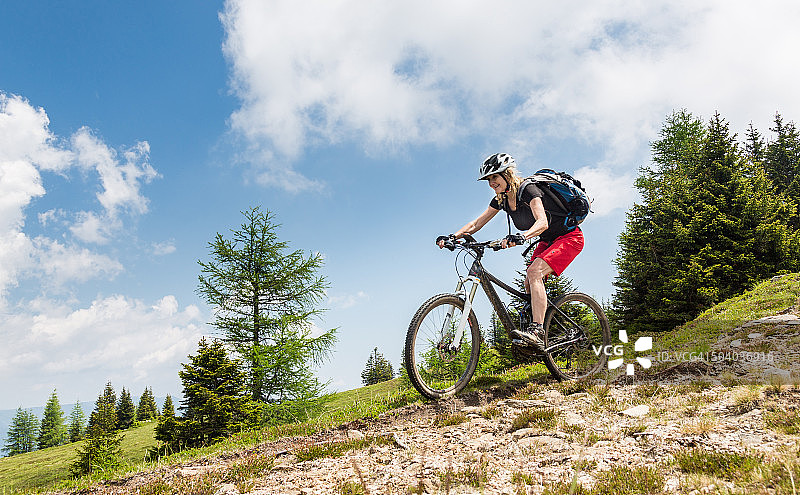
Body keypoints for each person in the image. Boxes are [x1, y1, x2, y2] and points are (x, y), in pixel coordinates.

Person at [437, 153, 584, 350]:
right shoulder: (502, 199)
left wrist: (522, 237)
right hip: (548, 240)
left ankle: (538, 331)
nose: (491, 183)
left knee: (534, 273)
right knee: (529, 282)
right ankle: (538, 328)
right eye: (488, 180)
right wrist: (453, 236)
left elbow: (542, 222)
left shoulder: (529, 191)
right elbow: (476, 223)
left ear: (507, 174)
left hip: (569, 238)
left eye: (494, 177)